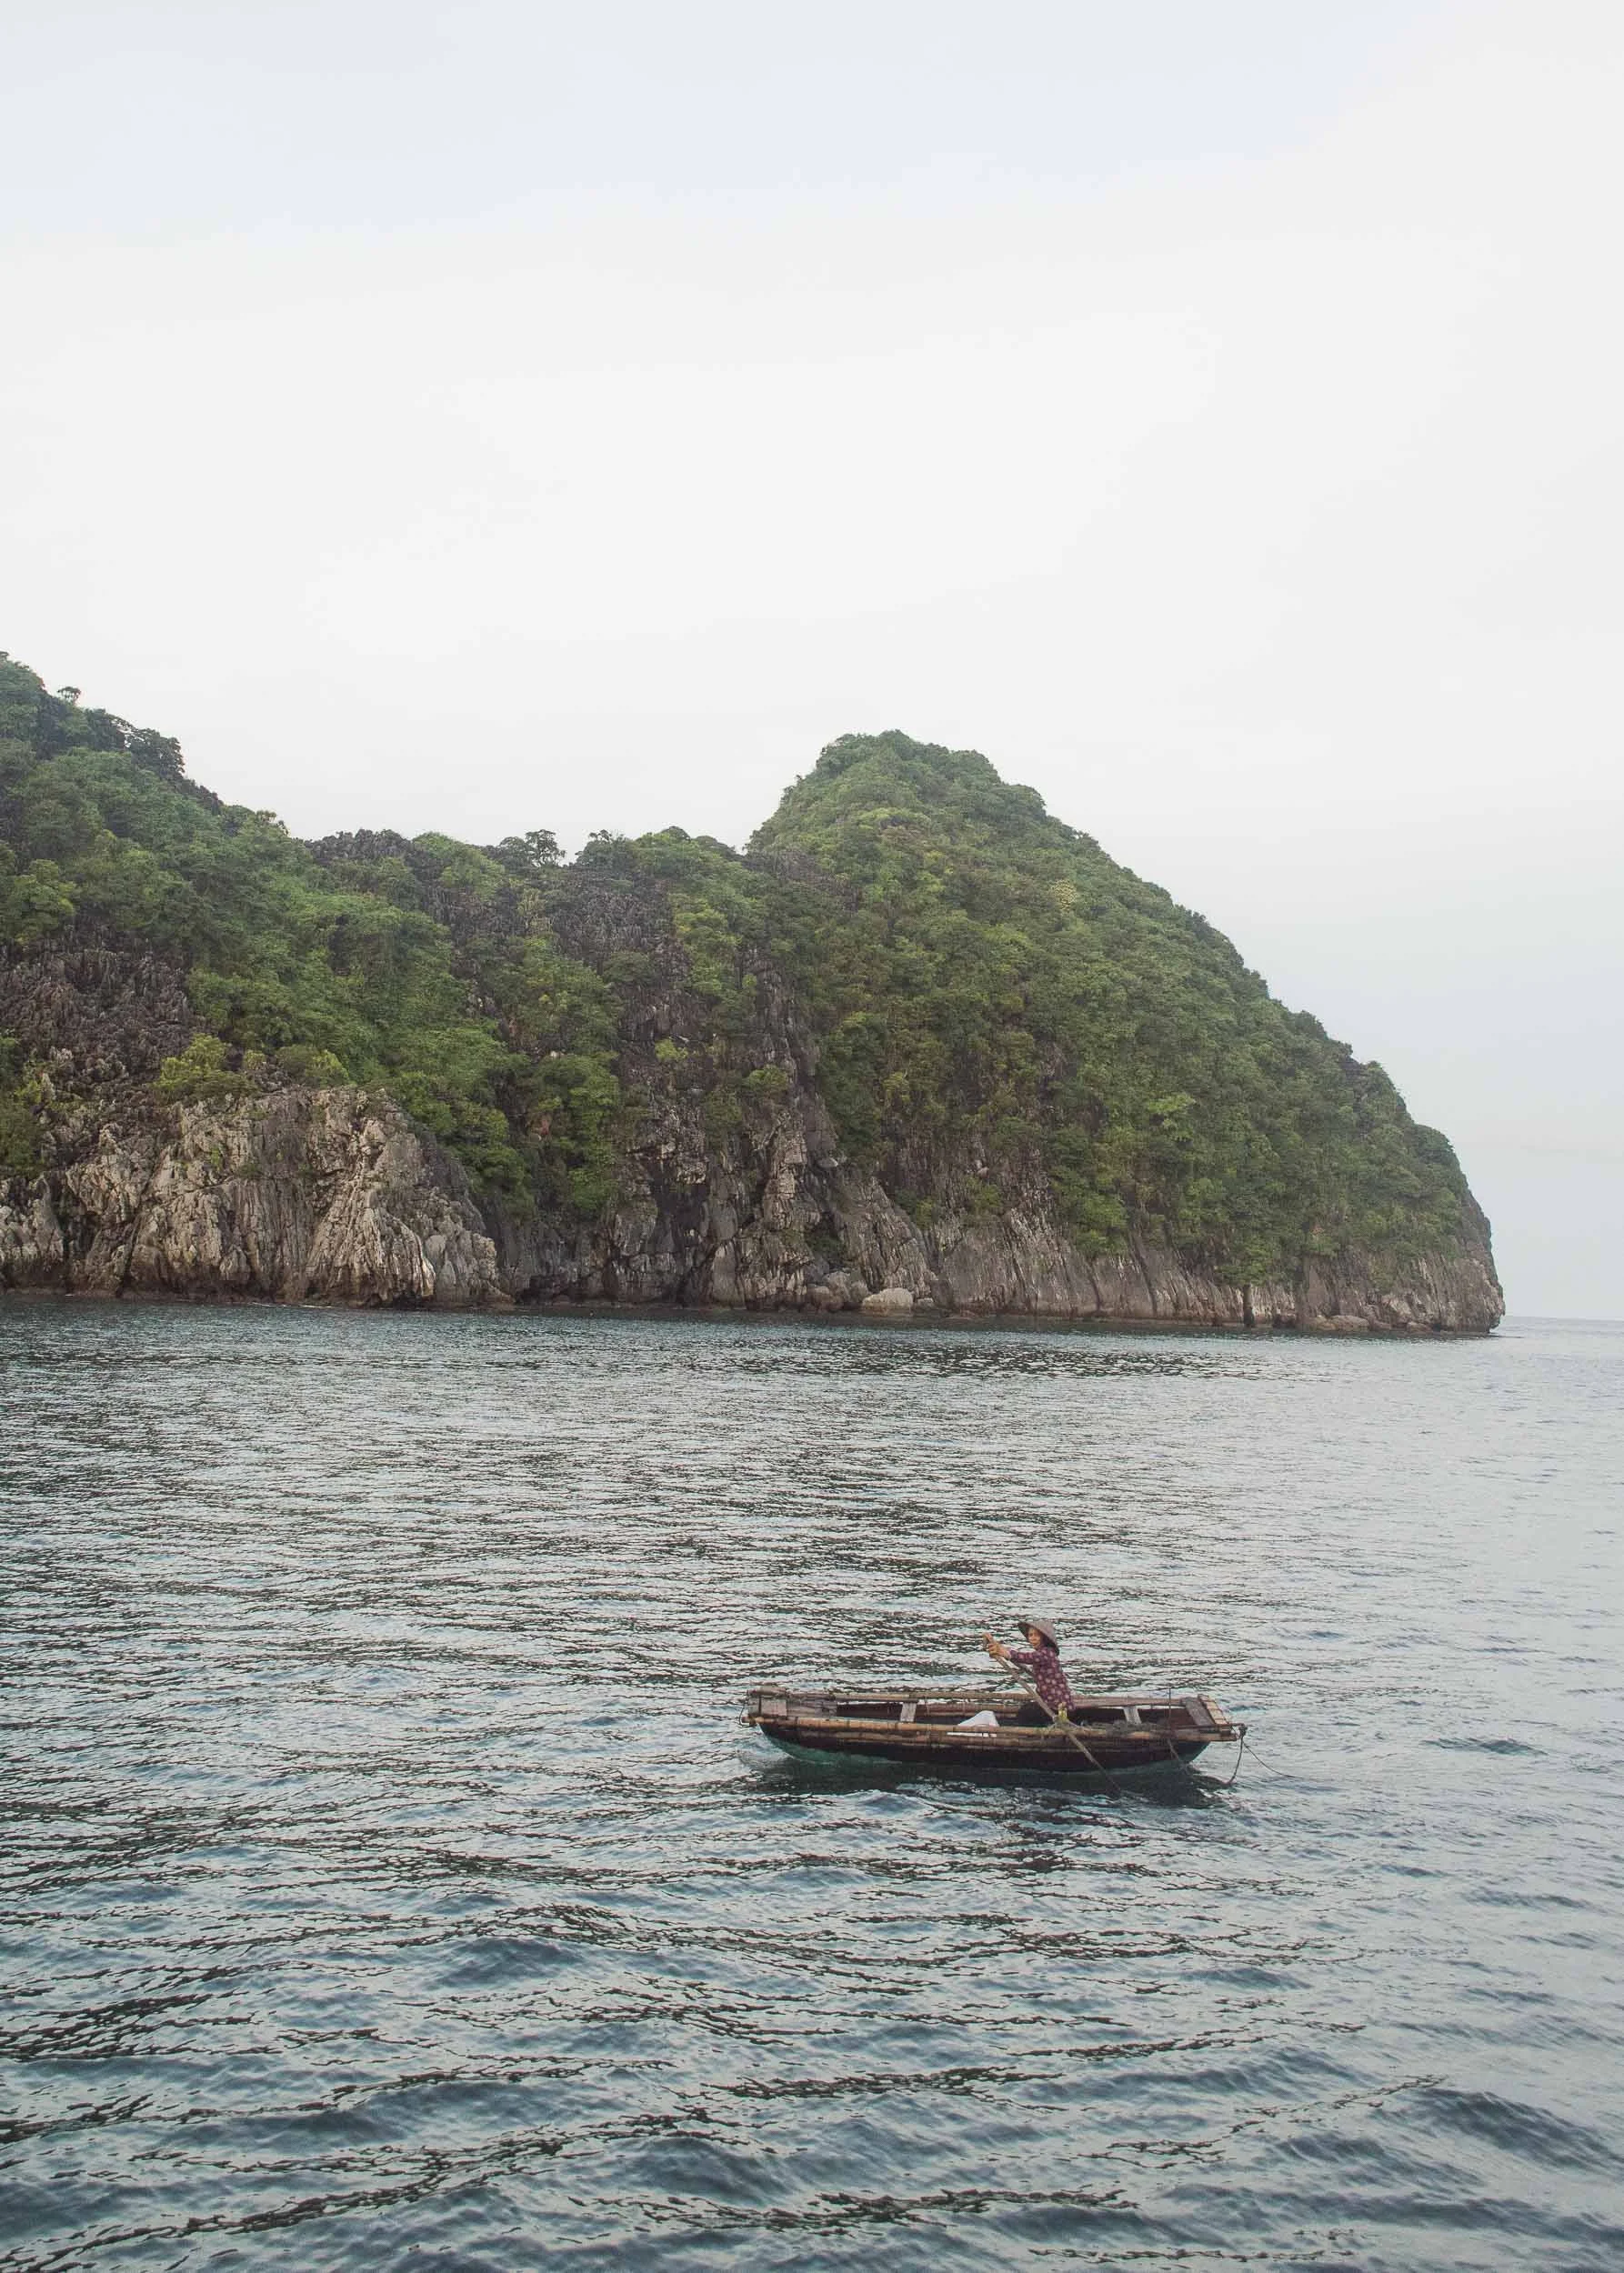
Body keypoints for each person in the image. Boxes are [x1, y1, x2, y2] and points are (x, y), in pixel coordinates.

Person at [984, 1617, 1077, 1718]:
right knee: (1027, 1710)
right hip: (1050, 1702)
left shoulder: (1046, 1653)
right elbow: (1021, 1658)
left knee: (1025, 1712)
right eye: (1030, 1635)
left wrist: (1003, 1651)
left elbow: (1026, 1657)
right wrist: (1000, 1650)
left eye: (1036, 1635)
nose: (1032, 1638)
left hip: (1058, 1706)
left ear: (1044, 1638)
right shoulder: (1044, 1653)